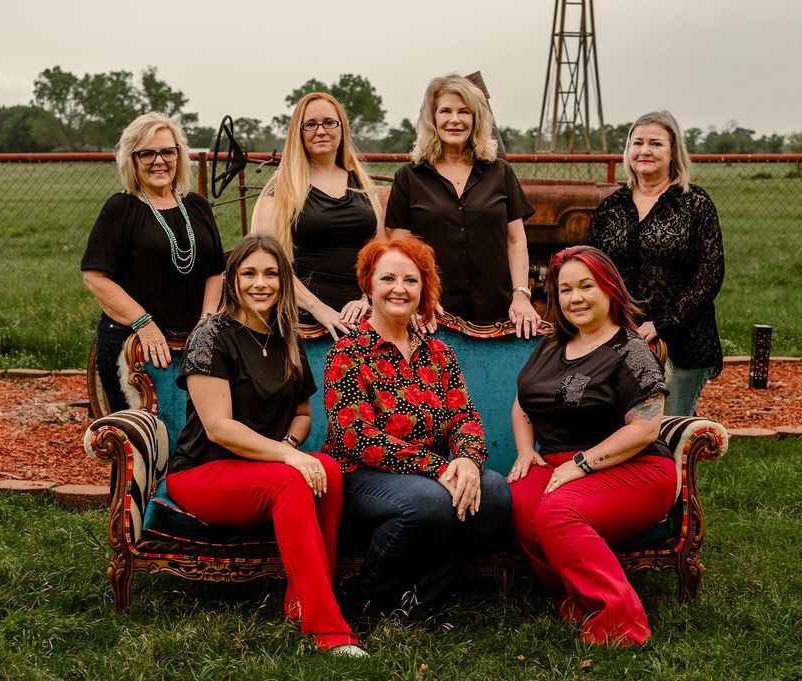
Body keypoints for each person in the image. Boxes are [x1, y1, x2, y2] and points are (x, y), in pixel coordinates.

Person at [164, 233, 365, 657]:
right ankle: (327, 630)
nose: (261, 283)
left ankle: (303, 599)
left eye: (272, 274)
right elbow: (219, 428)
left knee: (326, 470)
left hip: (264, 466)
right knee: (290, 481)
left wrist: (291, 446)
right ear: (233, 279)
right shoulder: (211, 337)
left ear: (284, 282)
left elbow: (303, 414)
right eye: (249, 273)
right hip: (203, 471)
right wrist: (290, 457)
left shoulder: (285, 337)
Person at [321, 236, 512, 619]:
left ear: (423, 289)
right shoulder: (347, 353)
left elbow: (465, 417)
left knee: (494, 491)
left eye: (411, 280)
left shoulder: (439, 353)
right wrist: (440, 467)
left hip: (431, 473)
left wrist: (469, 461)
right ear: (368, 286)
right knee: (426, 501)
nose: (399, 288)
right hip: (361, 476)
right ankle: (367, 597)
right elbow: (357, 438)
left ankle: (426, 599)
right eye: (387, 278)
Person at [507, 245, 675, 647]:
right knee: (517, 502)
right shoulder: (551, 345)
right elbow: (522, 402)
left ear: (610, 289)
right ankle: (573, 597)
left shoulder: (631, 351)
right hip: (561, 464)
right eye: (565, 290)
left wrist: (581, 464)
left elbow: (646, 429)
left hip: (635, 468)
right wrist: (526, 451)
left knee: (556, 514)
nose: (575, 298)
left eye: (586, 286)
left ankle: (620, 622)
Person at [82, 112, 224, 412]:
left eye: (167, 151)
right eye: (147, 153)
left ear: (179, 155)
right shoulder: (121, 209)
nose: (159, 161)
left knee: (195, 436)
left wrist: (205, 324)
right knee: (141, 444)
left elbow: (216, 271)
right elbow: (96, 277)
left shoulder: (197, 207)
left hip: (193, 342)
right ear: (131, 160)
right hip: (133, 346)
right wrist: (144, 323)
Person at [587, 110, 724, 415]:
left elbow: (710, 275)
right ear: (628, 151)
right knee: (623, 429)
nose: (645, 150)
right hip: (619, 337)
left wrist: (662, 324)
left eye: (655, 143)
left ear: (673, 152)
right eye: (638, 143)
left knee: (669, 431)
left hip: (681, 341)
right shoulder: (611, 207)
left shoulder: (694, 203)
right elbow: (593, 269)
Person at [385, 74, 538, 336]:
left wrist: (521, 295)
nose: (454, 120)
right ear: (432, 119)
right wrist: (419, 298)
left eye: (464, 112)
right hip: (433, 313)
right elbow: (401, 248)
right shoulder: (409, 176)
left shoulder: (500, 172)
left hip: (497, 312)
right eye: (446, 111)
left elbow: (515, 241)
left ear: (475, 119)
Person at [252, 92, 385, 339]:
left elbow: (381, 253)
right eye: (310, 124)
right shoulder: (279, 191)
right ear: (298, 133)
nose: (320, 130)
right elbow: (269, 264)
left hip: (363, 316)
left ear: (342, 128)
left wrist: (368, 299)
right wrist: (319, 309)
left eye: (329, 122)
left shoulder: (362, 185)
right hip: (304, 323)